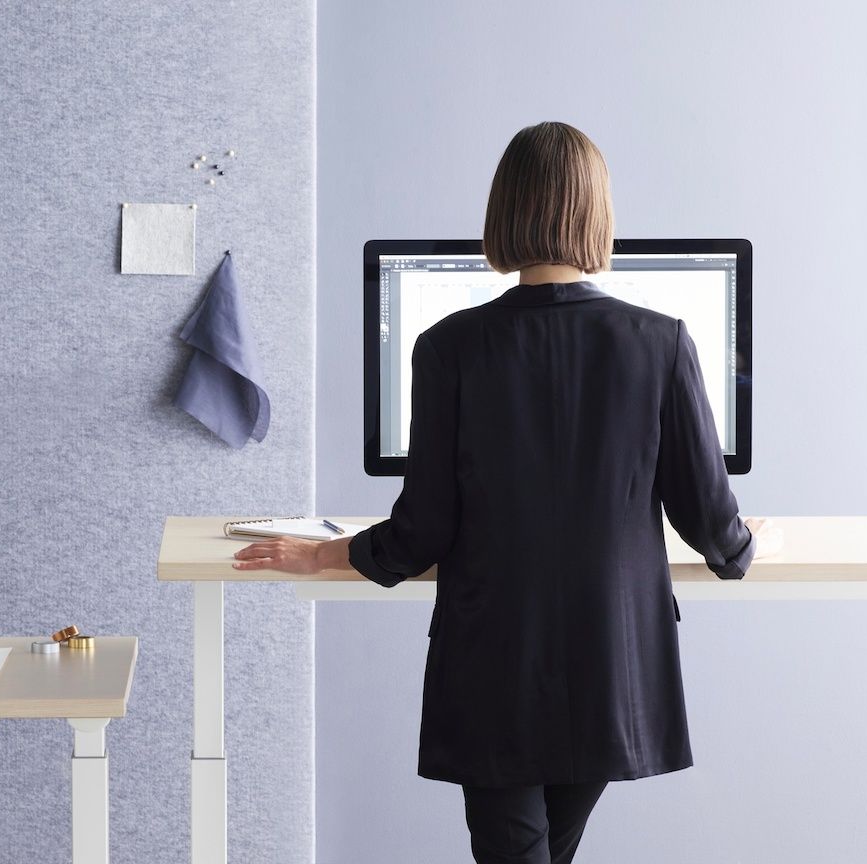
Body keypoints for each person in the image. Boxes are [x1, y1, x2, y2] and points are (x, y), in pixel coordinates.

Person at [233, 121, 778, 864]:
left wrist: (324, 553)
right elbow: (713, 527)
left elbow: (422, 529)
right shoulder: (664, 341)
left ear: (504, 213)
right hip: (612, 659)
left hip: (493, 657)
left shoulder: (448, 347)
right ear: (598, 215)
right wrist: (750, 543)